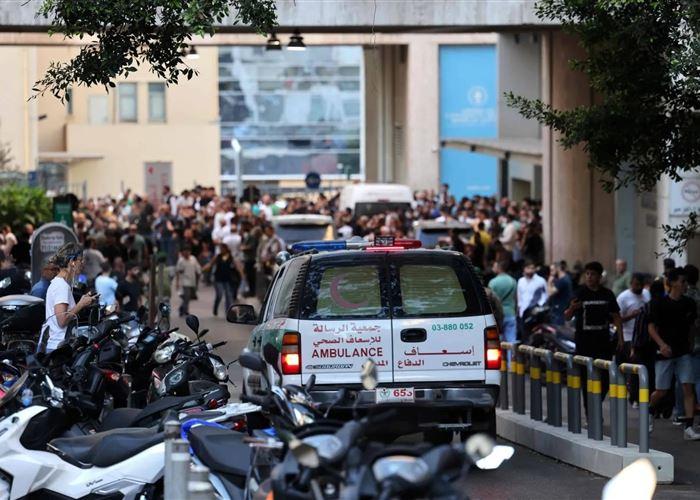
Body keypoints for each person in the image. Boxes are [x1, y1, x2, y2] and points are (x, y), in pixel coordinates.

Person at [648, 268, 699, 440]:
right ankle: (648, 411)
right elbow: (651, 328)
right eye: (682, 281)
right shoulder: (659, 303)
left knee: (688, 387)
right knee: (661, 391)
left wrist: (690, 343)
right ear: (672, 283)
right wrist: (661, 345)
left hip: (683, 352)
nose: (685, 285)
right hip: (665, 353)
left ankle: (689, 427)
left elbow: (691, 326)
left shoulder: (689, 303)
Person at [564, 261, 623, 408]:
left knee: (606, 378)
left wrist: (620, 338)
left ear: (599, 276)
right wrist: (572, 308)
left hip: (603, 343)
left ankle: (596, 404)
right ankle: (590, 411)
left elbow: (616, 316)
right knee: (586, 379)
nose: (589, 277)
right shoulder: (579, 293)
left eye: (593, 274)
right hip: (584, 343)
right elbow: (567, 316)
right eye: (587, 274)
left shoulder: (607, 294)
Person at [41, 243, 97, 352]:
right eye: (80, 260)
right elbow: (62, 320)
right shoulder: (61, 286)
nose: (82, 263)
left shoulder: (60, 284)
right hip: (58, 348)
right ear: (72, 262)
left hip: (58, 346)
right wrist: (81, 304)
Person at [617, 273, 651, 405]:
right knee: (635, 365)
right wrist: (631, 316)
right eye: (636, 284)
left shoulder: (646, 294)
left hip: (644, 337)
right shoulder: (623, 298)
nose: (639, 287)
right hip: (628, 336)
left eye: (641, 285)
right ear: (631, 283)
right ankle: (634, 396)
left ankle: (642, 395)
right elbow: (617, 320)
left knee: (645, 366)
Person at [488, 260, 517, 359]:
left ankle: (499, 363)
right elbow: (515, 299)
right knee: (511, 341)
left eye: (494, 266)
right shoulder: (513, 281)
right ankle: (511, 363)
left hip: (497, 315)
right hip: (510, 313)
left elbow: (491, 301)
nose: (493, 268)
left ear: (499, 268)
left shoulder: (493, 282)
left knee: (497, 341)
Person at [203, 243, 240, 316]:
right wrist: (203, 269)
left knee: (228, 295)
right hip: (218, 279)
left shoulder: (230, 257)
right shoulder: (218, 256)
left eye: (222, 248)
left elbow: (236, 265)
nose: (221, 250)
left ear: (226, 249)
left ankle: (228, 311)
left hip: (227, 278)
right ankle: (215, 307)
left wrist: (241, 273)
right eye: (220, 249)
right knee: (219, 294)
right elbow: (210, 264)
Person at [517, 260, 547, 335]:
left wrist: (539, 306)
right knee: (524, 335)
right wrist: (519, 308)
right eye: (528, 268)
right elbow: (519, 296)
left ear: (535, 269)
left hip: (536, 313)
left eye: (532, 268)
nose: (530, 270)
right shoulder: (521, 281)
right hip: (523, 312)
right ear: (524, 269)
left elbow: (545, 296)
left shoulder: (541, 281)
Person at [176, 246, 201, 317]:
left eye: (188, 251)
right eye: (185, 251)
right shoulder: (181, 261)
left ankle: (181, 308)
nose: (186, 253)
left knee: (188, 297)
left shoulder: (193, 259)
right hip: (185, 282)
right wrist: (177, 282)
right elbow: (178, 271)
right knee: (186, 296)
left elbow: (197, 269)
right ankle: (185, 310)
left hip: (192, 281)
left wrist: (198, 277)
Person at [547, 260, 573, 325]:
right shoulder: (562, 278)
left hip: (560, 311)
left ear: (558, 269)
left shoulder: (563, 280)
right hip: (559, 310)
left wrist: (549, 282)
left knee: (558, 329)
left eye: (552, 270)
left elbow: (549, 293)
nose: (550, 273)